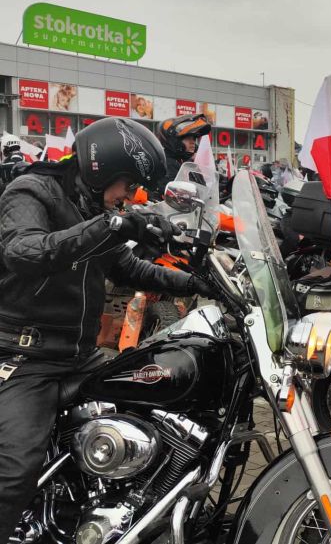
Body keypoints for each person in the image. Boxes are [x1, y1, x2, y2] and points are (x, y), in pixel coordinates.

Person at [0, 117, 215, 539]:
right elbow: (23, 252)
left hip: (78, 355)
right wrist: (113, 225)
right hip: (26, 355)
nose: (129, 197)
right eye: (128, 184)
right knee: (14, 466)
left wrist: (196, 282)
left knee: (148, 407)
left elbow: (127, 267)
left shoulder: (92, 207)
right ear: (103, 169)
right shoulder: (30, 191)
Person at [156, 114, 212, 187]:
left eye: (194, 138)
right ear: (174, 141)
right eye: (188, 138)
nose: (193, 142)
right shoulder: (165, 164)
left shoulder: (190, 165)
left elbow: (203, 189)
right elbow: (172, 192)